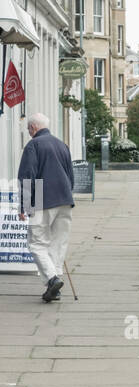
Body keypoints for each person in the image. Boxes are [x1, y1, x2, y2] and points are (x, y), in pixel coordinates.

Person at [17, 112, 75, 302]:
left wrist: (24, 206)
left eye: (28, 129)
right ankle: (55, 288)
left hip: (43, 197)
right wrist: (67, 194)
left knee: (37, 243)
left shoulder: (34, 145)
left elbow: (27, 176)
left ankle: (52, 279)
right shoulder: (61, 144)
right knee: (58, 243)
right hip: (65, 198)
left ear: (33, 128)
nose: (29, 132)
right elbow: (70, 175)